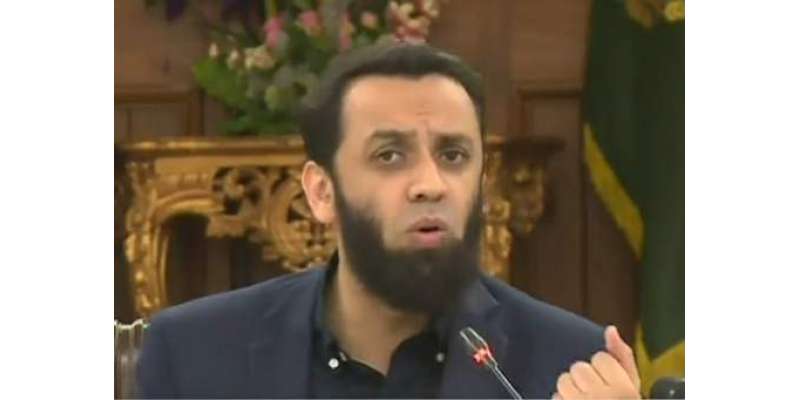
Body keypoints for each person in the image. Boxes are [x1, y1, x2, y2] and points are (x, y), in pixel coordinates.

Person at [137, 42, 641, 399]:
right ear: (322, 192)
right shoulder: (194, 353)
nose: (431, 184)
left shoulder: (573, 362)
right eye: (390, 156)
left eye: (453, 155)